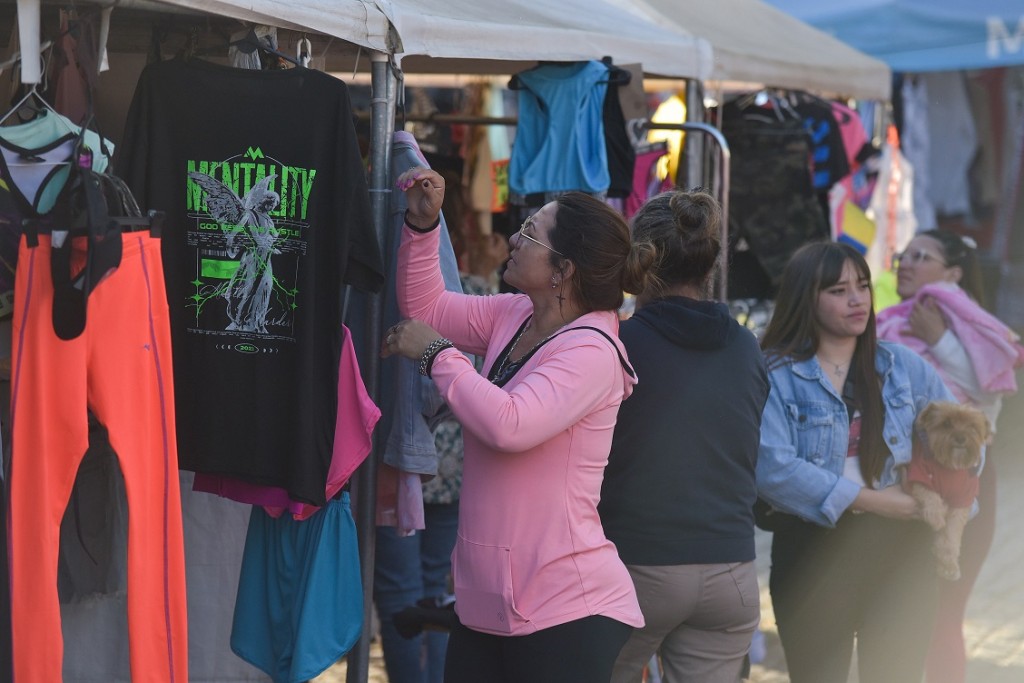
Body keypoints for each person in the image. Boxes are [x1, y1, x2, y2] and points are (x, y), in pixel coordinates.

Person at [382, 166, 653, 683]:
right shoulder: (514, 314)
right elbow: (428, 307)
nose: (513, 238)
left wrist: (439, 355)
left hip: (566, 609)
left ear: (563, 270)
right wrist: (422, 228)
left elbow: (510, 425)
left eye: (529, 233)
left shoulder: (594, 351)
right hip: (487, 606)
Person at [756, 242, 956, 683]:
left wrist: (943, 506)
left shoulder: (903, 367)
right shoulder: (775, 373)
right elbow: (772, 469)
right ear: (806, 297)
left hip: (902, 553)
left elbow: (962, 442)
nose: (857, 299)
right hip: (812, 551)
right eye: (838, 289)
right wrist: (875, 501)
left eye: (863, 286)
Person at [598, 190, 768, 683]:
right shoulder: (746, 347)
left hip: (638, 566)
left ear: (637, 257)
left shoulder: (617, 344)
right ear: (709, 262)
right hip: (731, 567)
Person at [876, 229, 1023, 683]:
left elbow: (993, 387)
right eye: (904, 253)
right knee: (890, 611)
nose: (907, 262)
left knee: (943, 612)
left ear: (954, 274)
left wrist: (939, 340)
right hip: (896, 480)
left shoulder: (976, 328)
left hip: (964, 483)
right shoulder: (885, 322)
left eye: (923, 256)